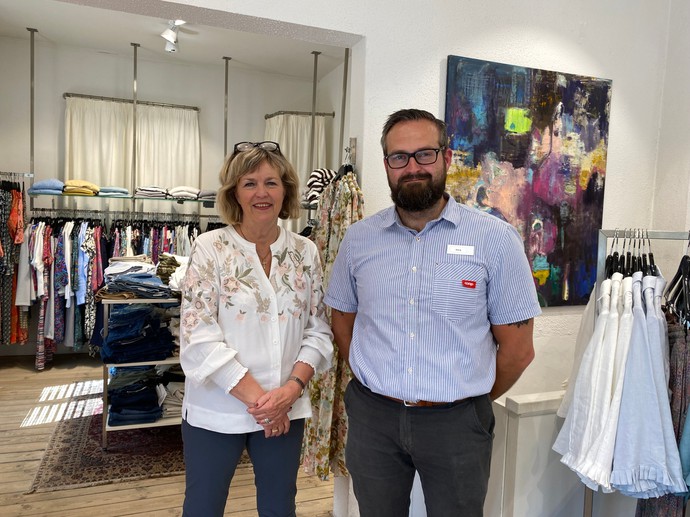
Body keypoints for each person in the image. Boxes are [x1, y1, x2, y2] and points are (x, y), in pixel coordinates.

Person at [324, 109, 542, 517]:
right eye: (399, 157)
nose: (412, 167)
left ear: (447, 157)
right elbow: (342, 320)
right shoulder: (359, 240)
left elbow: (518, 350)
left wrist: (466, 401)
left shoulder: (495, 240)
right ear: (386, 165)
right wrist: (375, 379)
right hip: (374, 419)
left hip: (457, 424)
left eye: (425, 154)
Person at [179, 141, 333, 517]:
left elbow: (319, 329)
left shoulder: (305, 251)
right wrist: (265, 406)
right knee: (202, 507)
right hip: (217, 411)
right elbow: (198, 337)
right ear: (235, 193)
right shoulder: (210, 248)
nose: (261, 193)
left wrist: (289, 393)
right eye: (249, 183)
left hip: (286, 408)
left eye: (271, 182)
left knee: (280, 507)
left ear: (286, 190)